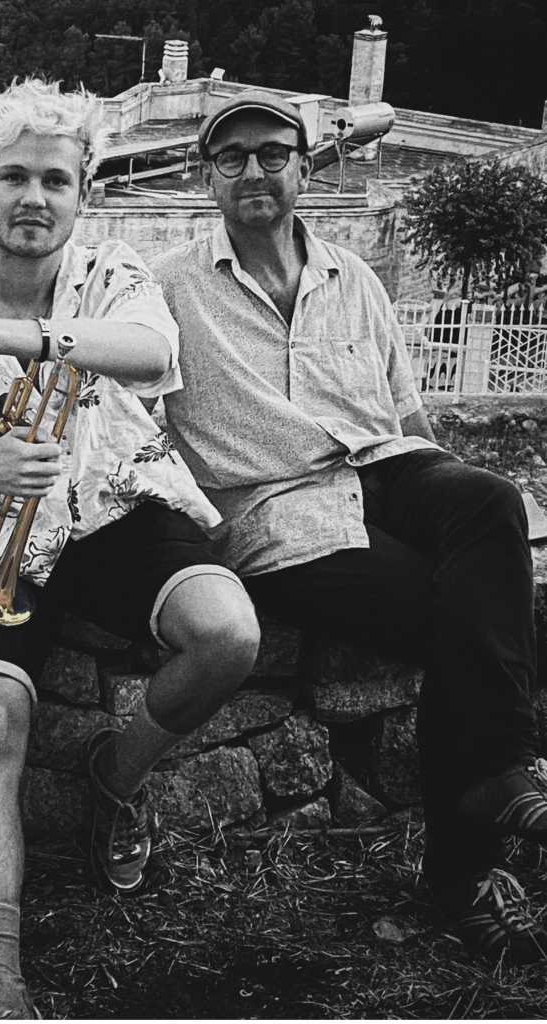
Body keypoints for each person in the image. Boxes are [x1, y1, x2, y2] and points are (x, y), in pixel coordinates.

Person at [0, 78, 261, 1019]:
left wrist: (6, 336)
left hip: (112, 510)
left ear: (83, 191)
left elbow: (154, 352)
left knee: (228, 634)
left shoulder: (112, 276)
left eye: (56, 179)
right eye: (14, 176)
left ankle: (113, 776)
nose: (34, 198)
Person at [152, 90, 546, 965]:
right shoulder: (168, 287)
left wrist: (446, 503)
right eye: (232, 157)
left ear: (305, 166)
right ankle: (466, 868)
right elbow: (130, 418)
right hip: (277, 510)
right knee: (464, 620)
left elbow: (409, 415)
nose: (254, 170)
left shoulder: (353, 277)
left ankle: (500, 773)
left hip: (384, 467)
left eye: (273, 153)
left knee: (489, 500)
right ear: (207, 176)